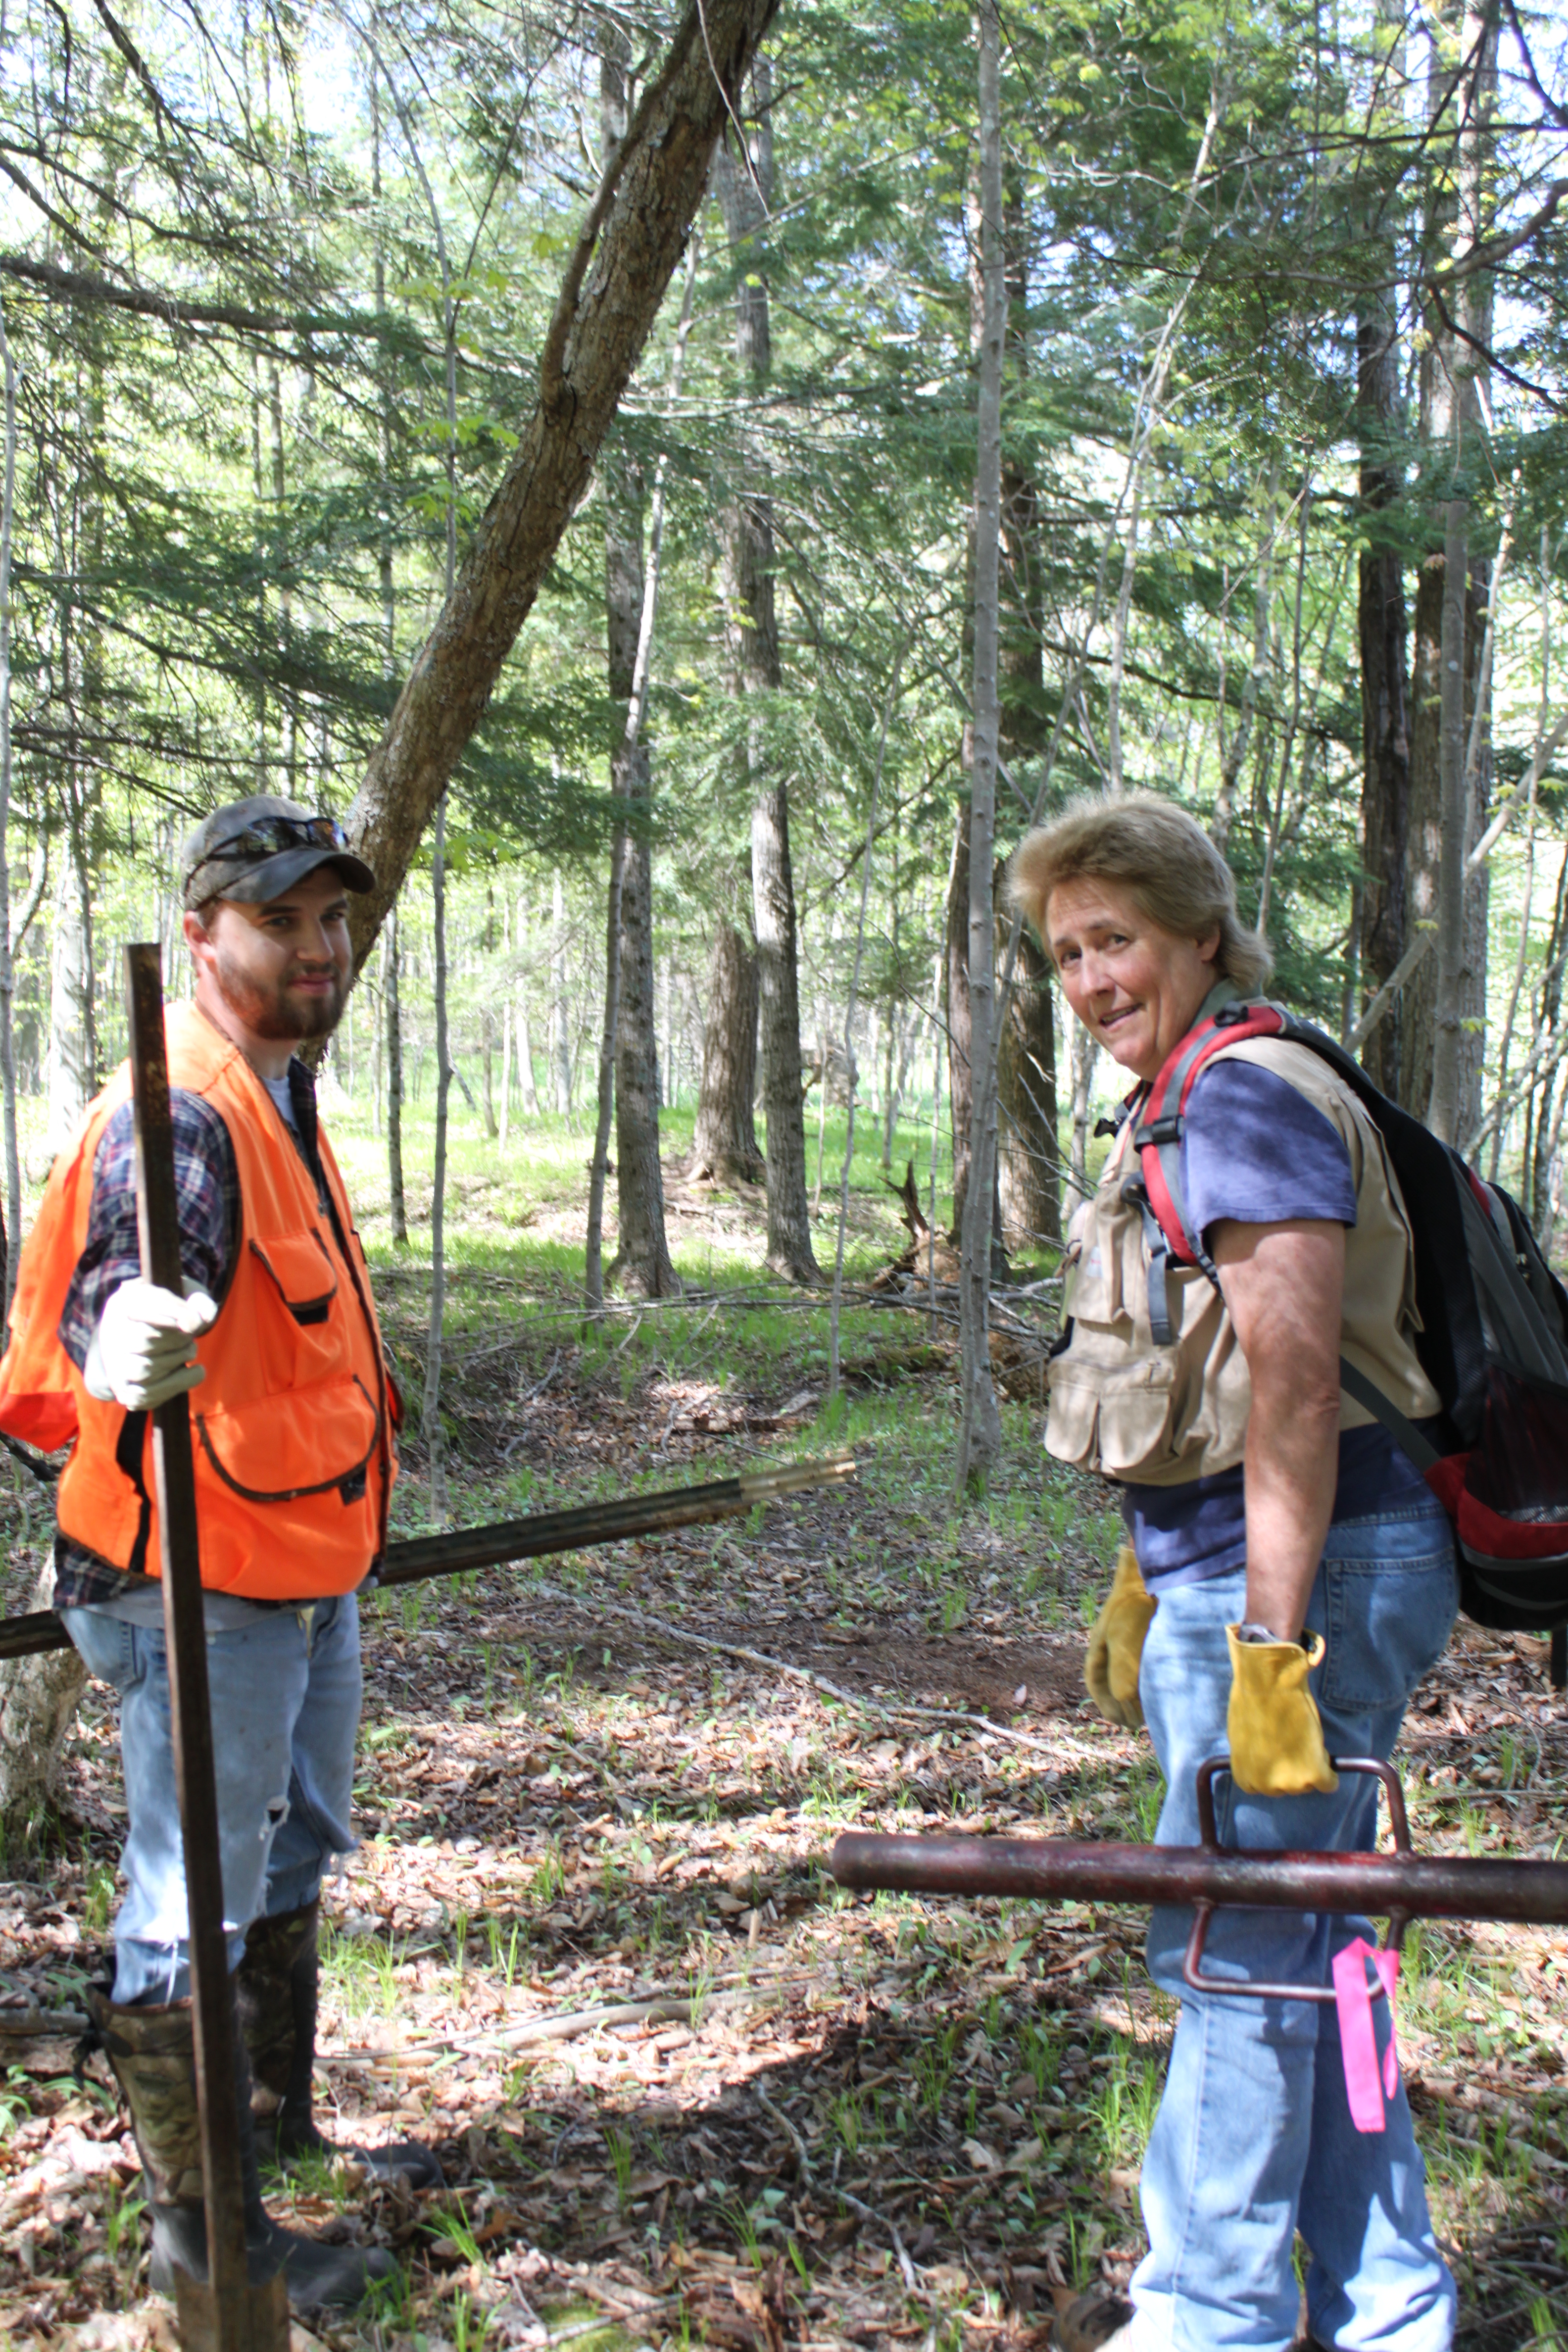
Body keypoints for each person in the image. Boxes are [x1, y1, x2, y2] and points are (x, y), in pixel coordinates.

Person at [1010, 795, 1457, 2352]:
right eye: (1065, 951)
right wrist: (1155, 1571)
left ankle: (1206, 2317)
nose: (1088, 977)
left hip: (1309, 1577)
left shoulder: (1247, 1101)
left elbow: (1293, 1390)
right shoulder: (1187, 1091)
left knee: (1238, 1942)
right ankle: (1391, 2307)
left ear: (1200, 931)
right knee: (1316, 1945)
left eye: (1115, 939)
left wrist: (1269, 1644)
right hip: (1267, 1561)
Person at [0, 795, 441, 2317]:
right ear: (203, 936)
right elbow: (125, 1270)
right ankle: (209, 2242)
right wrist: (117, 1336)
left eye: (333, 920)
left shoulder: (279, 1083)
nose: (318, 946)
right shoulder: (180, 1104)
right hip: (196, 1587)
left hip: (296, 1559)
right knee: (192, 1897)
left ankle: (273, 2139)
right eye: (283, 920)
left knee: (294, 1850)